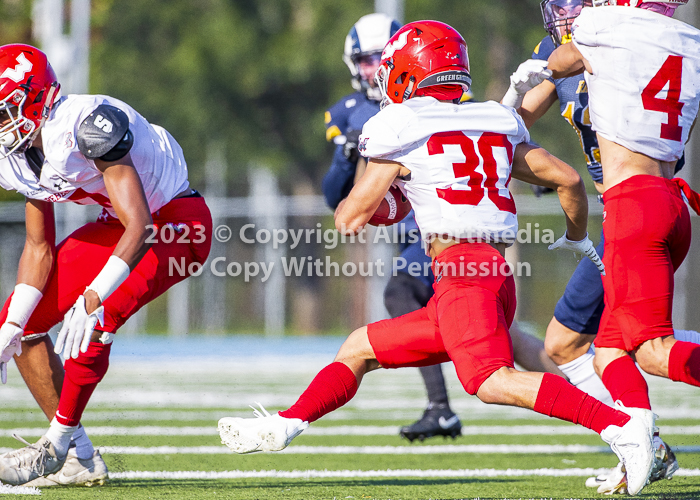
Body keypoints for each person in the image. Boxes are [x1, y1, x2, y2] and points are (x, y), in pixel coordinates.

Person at [219, 21, 657, 496]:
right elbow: (568, 179)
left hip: (463, 274)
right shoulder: (493, 118)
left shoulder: (397, 124)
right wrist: (576, 238)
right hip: (489, 274)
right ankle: (287, 425)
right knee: (359, 347)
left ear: (407, 72)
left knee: (491, 381)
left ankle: (620, 426)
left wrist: (389, 195)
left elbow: (351, 215)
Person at [323, 13, 560, 443]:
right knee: (500, 338)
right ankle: (595, 400)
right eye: (366, 59)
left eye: (383, 58)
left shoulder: (421, 113)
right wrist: (345, 153)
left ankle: (440, 406)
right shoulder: (351, 111)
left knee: (406, 299)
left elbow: (349, 215)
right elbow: (335, 195)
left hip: (446, 234)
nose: (375, 68)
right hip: (446, 240)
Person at [500, 0, 700, 491]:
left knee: (650, 349)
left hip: (632, 207)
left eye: (579, 4)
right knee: (594, 348)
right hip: (652, 203)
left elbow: (562, 62)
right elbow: (515, 119)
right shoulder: (680, 43)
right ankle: (643, 446)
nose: (569, 14)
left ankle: (641, 444)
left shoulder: (602, 29)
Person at [0, 44, 212, 486]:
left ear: (35, 98)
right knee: (22, 322)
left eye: (3, 112)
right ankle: (80, 456)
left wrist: (93, 297)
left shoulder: (88, 125)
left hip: (176, 224)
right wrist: (12, 327)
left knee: (98, 316)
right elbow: (39, 248)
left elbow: (141, 226)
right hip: (117, 226)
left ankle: (55, 445)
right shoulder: (20, 154)